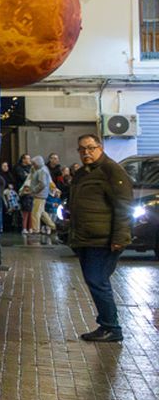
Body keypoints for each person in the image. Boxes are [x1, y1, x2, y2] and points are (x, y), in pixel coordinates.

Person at [66, 134, 133, 343]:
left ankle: (111, 327)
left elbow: (124, 207)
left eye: (90, 148)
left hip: (103, 239)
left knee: (97, 280)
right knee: (95, 280)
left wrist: (119, 237)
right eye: (82, 149)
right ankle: (107, 325)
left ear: (100, 148)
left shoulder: (111, 170)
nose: (86, 152)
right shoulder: (82, 173)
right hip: (85, 238)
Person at [22, 154, 56, 240]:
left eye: (34, 163)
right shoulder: (41, 169)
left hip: (39, 195)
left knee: (35, 213)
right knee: (42, 213)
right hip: (40, 194)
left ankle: (35, 230)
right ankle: (53, 226)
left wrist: (33, 190)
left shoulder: (42, 171)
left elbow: (42, 184)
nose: (33, 165)